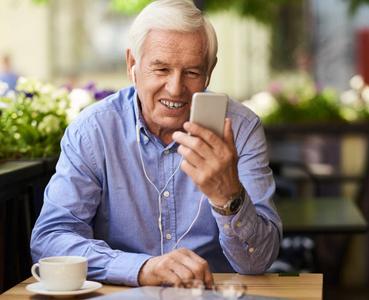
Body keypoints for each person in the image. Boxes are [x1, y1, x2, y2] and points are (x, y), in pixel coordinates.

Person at [31, 0, 282, 288]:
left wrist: (229, 197)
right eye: (161, 69)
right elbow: (50, 239)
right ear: (132, 65)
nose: (175, 88)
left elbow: (258, 261)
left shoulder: (240, 128)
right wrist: (140, 268)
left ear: (209, 71)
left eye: (192, 72)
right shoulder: (93, 132)